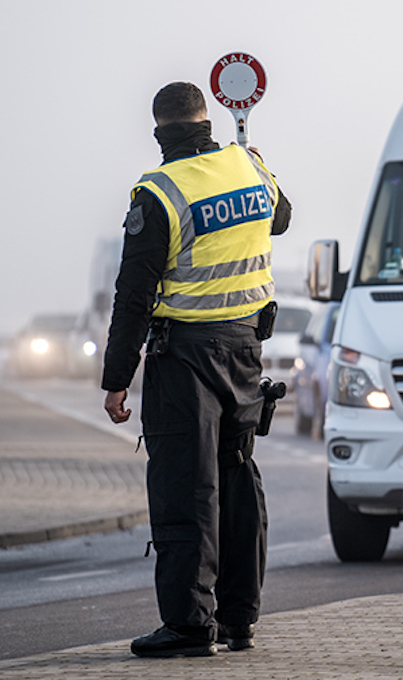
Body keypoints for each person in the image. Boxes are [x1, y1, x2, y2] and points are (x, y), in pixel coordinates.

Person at [101, 81, 291, 658]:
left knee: (187, 487)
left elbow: (134, 294)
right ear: (205, 121)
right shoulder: (250, 166)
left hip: (184, 359)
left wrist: (116, 378)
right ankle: (240, 620)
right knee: (236, 476)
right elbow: (282, 218)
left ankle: (188, 626)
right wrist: (252, 160)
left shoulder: (159, 192)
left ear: (160, 131)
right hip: (245, 351)